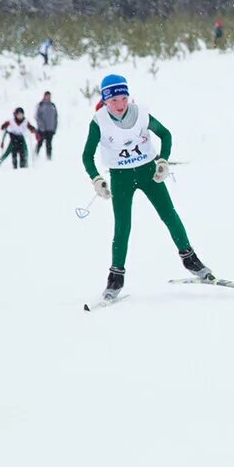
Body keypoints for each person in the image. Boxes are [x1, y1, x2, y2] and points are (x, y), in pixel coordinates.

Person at [81, 74, 213, 301]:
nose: (120, 105)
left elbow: (165, 134)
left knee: (169, 215)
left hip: (148, 172)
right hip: (120, 177)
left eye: (123, 98)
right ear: (105, 101)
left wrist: (162, 161)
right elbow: (86, 156)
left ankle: (190, 259)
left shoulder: (140, 114)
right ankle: (116, 277)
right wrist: (96, 179)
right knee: (123, 226)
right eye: (113, 101)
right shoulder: (99, 121)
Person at [35, 91, 58, 159]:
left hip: (50, 129)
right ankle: (35, 156)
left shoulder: (52, 105)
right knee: (40, 142)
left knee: (49, 144)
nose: (48, 97)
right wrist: (41, 126)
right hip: (42, 129)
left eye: (49, 96)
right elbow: (37, 116)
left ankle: (49, 157)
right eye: (47, 96)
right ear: (44, 96)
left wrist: (55, 128)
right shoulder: (40, 105)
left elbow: (56, 117)